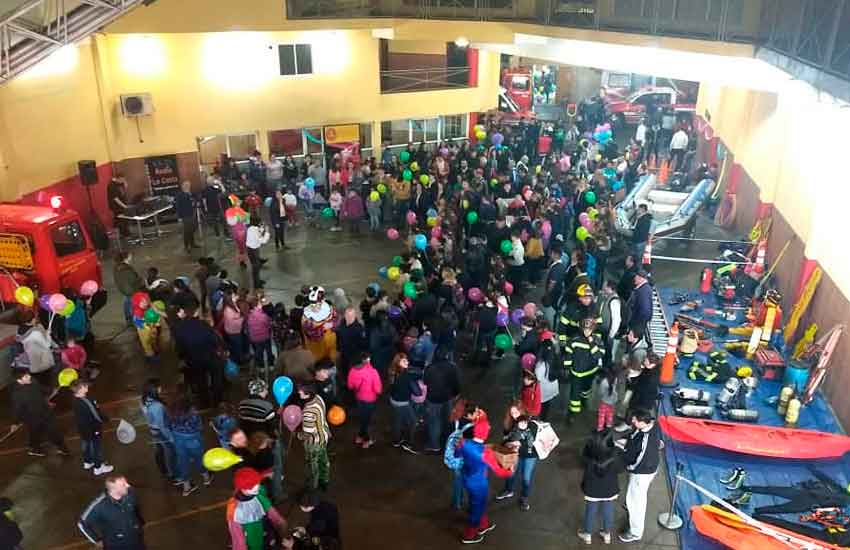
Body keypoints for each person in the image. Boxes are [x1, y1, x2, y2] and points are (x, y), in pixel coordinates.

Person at [455, 419, 514, 544]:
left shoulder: (463, 442)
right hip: (479, 483)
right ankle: (469, 535)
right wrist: (510, 470)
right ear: (484, 434)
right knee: (477, 506)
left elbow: (456, 454)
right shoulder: (485, 453)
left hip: (466, 477)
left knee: (475, 502)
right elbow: (499, 471)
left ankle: (483, 524)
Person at [238, 379, 283, 502]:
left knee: (254, 468)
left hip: (249, 444)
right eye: (265, 389)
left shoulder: (242, 404)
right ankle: (277, 494)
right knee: (275, 466)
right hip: (264, 443)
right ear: (261, 391)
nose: (267, 391)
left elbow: (243, 423)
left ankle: (257, 493)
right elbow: (272, 427)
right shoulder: (267, 406)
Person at [619, 409, 661, 543]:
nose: (632, 422)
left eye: (635, 420)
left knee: (637, 502)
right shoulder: (652, 425)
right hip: (649, 467)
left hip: (642, 473)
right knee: (634, 495)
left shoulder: (645, 440)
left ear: (643, 421)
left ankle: (635, 532)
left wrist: (629, 467)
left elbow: (640, 460)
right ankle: (629, 502)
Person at [173, 304, 223, 408]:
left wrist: (184, 358)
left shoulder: (179, 329)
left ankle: (205, 402)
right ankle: (217, 400)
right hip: (210, 357)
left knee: (201, 381)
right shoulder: (203, 324)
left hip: (194, 360)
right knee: (216, 378)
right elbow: (215, 340)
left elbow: (179, 349)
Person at [10, 370, 70, 458]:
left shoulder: (33, 381)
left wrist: (52, 390)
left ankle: (62, 447)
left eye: (28, 375)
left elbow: (42, 389)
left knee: (53, 430)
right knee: (35, 433)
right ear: (19, 380)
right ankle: (33, 448)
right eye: (26, 377)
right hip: (32, 418)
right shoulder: (17, 394)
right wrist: (15, 422)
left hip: (45, 412)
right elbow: (17, 409)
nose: (29, 377)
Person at [226, 467, 287, 550]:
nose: (256, 487)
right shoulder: (235, 510)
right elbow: (238, 538)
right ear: (242, 489)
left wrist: (280, 522)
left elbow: (272, 512)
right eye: (251, 486)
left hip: (265, 531)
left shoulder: (258, 493)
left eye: (257, 483)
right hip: (253, 539)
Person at [78, 475, 145, 550]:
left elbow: (135, 509)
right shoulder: (99, 505)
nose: (128, 485)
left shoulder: (130, 493)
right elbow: (82, 523)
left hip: (136, 541)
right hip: (116, 545)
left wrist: (139, 525)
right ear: (113, 489)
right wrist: (97, 540)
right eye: (123, 485)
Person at [578, 431, 622, 545]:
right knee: (608, 510)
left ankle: (587, 535)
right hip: (610, 489)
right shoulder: (615, 455)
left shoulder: (588, 456)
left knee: (590, 511)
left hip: (592, 489)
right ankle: (607, 534)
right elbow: (620, 469)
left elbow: (581, 462)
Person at [170, 392, 213, 496]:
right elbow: (199, 426)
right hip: (193, 438)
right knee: (199, 458)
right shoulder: (192, 411)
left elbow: (169, 424)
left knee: (182, 461)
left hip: (178, 439)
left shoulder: (172, 409)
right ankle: (206, 478)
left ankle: (186, 487)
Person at [563, 318, 604, 421]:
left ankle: (584, 400)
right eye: (585, 329)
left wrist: (591, 343)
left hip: (590, 372)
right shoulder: (574, 339)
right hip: (576, 373)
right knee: (574, 394)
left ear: (593, 329)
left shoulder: (597, 340)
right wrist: (566, 368)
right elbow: (568, 355)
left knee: (586, 389)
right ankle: (572, 413)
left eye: (589, 330)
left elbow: (598, 355)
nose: (587, 332)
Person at [71, 379, 114, 476]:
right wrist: (104, 420)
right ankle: (98, 467)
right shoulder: (86, 402)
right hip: (92, 429)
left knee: (86, 445)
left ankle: (88, 462)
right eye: (85, 386)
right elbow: (95, 414)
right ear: (80, 389)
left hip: (83, 430)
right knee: (96, 447)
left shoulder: (76, 400)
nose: (87, 387)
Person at [496, 415, 539, 511]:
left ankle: (524, 497)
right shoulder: (514, 429)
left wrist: (519, 444)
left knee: (526, 477)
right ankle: (508, 490)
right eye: (521, 422)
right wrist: (507, 444)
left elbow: (530, 443)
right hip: (517, 455)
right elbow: (506, 440)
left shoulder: (533, 427)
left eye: (525, 422)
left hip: (530, 456)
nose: (523, 424)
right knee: (511, 473)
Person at [423, 349, 461, 453]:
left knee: (434, 421)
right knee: (448, 419)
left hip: (433, 399)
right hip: (448, 397)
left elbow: (425, 382)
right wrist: (456, 394)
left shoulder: (429, 368)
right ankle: (449, 442)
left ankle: (434, 445)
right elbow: (456, 382)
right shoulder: (452, 366)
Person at [140, 379, 176, 482]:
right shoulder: (157, 406)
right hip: (161, 432)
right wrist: (170, 437)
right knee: (170, 453)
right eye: (158, 387)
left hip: (152, 430)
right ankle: (171, 473)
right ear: (154, 390)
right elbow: (161, 425)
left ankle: (163, 470)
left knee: (159, 451)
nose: (161, 388)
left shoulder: (144, 401)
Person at [297, 384, 331, 491]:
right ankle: (324, 481)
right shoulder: (318, 398)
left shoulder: (308, 411)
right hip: (324, 435)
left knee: (312, 465)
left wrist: (299, 435)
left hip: (313, 442)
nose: (299, 392)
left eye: (301, 392)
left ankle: (313, 486)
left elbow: (308, 431)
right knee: (323, 460)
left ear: (308, 394)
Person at [347, 352, 382, 448]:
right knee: (368, 420)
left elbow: (350, 386)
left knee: (363, 418)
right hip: (370, 400)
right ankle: (366, 440)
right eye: (368, 359)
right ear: (365, 360)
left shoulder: (352, 370)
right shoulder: (373, 372)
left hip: (358, 398)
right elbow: (378, 390)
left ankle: (359, 437)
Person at [388, 353, 420, 453]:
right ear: (398, 363)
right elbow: (417, 392)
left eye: (407, 360)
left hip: (394, 400)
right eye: (404, 361)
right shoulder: (407, 376)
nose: (408, 362)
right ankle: (409, 444)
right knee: (413, 422)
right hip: (403, 403)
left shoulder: (392, 372)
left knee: (397, 421)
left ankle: (396, 441)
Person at [113, 251, 144, 324]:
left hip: (123, 289)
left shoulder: (117, 267)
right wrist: (140, 280)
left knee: (126, 302)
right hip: (130, 290)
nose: (131, 257)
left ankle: (128, 318)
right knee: (132, 304)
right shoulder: (126, 269)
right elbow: (133, 280)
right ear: (125, 258)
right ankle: (133, 320)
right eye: (130, 256)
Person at [247, 297, 274, 378]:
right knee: (268, 350)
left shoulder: (251, 313)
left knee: (259, 352)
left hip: (255, 338)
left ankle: (261, 367)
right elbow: (269, 325)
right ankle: (270, 365)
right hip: (265, 337)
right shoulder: (265, 316)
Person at [628, 269, 653, 341]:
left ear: (640, 278)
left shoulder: (643, 292)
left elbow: (645, 311)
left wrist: (635, 329)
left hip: (637, 326)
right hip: (638, 324)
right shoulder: (644, 289)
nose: (634, 279)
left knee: (633, 343)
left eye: (635, 277)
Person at [245, 219, 270, 289]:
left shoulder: (251, 228)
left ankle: (258, 280)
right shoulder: (255, 231)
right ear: (258, 224)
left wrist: (262, 228)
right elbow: (263, 240)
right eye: (260, 224)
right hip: (253, 250)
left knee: (256, 266)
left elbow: (259, 231)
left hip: (251, 249)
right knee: (256, 267)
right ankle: (256, 284)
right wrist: (267, 232)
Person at [176, 181, 198, 254]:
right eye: (186, 185)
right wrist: (179, 217)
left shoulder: (190, 193)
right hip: (185, 215)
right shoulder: (180, 195)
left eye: (189, 185)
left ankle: (192, 243)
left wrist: (190, 194)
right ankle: (187, 245)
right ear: (183, 186)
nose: (188, 187)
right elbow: (178, 207)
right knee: (187, 231)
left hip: (192, 213)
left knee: (192, 228)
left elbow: (196, 198)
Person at [596, 367, 618, 432]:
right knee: (610, 415)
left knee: (601, 416)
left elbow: (601, 392)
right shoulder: (615, 378)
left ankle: (600, 429)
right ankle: (608, 427)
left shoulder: (604, 381)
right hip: (613, 401)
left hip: (604, 401)